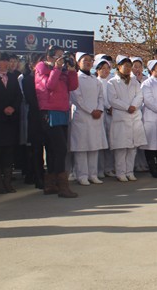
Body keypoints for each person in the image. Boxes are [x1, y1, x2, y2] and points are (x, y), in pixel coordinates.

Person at [35, 45, 79, 198]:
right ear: (49, 57)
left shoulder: (62, 70)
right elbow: (49, 86)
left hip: (62, 111)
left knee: (56, 150)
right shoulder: (41, 68)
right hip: (49, 112)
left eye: (63, 56)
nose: (61, 59)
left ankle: (51, 184)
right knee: (59, 149)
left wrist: (72, 70)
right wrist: (57, 69)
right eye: (58, 56)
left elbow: (73, 86)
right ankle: (62, 186)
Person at [0, 52, 23, 194]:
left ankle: (7, 182)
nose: (6, 64)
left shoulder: (13, 77)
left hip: (10, 120)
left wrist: (13, 107)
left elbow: (18, 96)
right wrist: (2, 108)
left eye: (8, 61)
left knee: (9, 151)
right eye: (3, 61)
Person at [107, 55, 148, 182]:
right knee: (121, 148)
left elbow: (140, 95)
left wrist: (134, 106)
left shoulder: (135, 81)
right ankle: (121, 172)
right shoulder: (112, 82)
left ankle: (130, 171)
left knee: (132, 148)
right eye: (126, 66)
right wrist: (127, 107)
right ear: (119, 67)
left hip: (134, 115)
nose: (128, 68)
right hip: (121, 116)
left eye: (130, 66)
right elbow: (113, 99)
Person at [69, 52, 107, 186]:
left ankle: (93, 174)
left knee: (94, 147)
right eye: (85, 60)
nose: (88, 63)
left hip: (96, 117)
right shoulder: (76, 79)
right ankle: (82, 175)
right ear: (78, 63)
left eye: (90, 60)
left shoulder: (96, 80)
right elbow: (76, 98)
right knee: (82, 148)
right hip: (82, 116)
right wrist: (91, 111)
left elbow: (101, 97)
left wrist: (99, 109)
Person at [19, 54, 46, 189]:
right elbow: (31, 100)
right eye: (39, 62)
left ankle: (49, 177)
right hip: (36, 117)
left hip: (48, 116)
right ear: (32, 65)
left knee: (51, 148)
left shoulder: (47, 77)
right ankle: (38, 177)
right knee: (36, 149)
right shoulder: (27, 80)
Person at [94, 58, 114, 178]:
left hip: (112, 114)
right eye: (103, 68)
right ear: (97, 70)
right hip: (101, 114)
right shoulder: (96, 82)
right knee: (100, 143)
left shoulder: (112, 82)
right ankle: (99, 169)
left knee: (110, 142)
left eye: (108, 68)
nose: (106, 71)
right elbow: (101, 98)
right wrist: (107, 106)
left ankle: (109, 168)